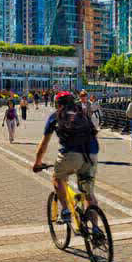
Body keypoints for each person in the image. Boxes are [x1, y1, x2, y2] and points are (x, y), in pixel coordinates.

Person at [32, 91, 99, 224]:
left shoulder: (55, 116)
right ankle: (96, 229)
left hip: (70, 154)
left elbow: (44, 144)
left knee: (57, 178)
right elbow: (94, 133)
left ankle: (65, 210)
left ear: (58, 104)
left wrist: (37, 163)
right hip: (91, 153)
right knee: (89, 194)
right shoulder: (82, 114)